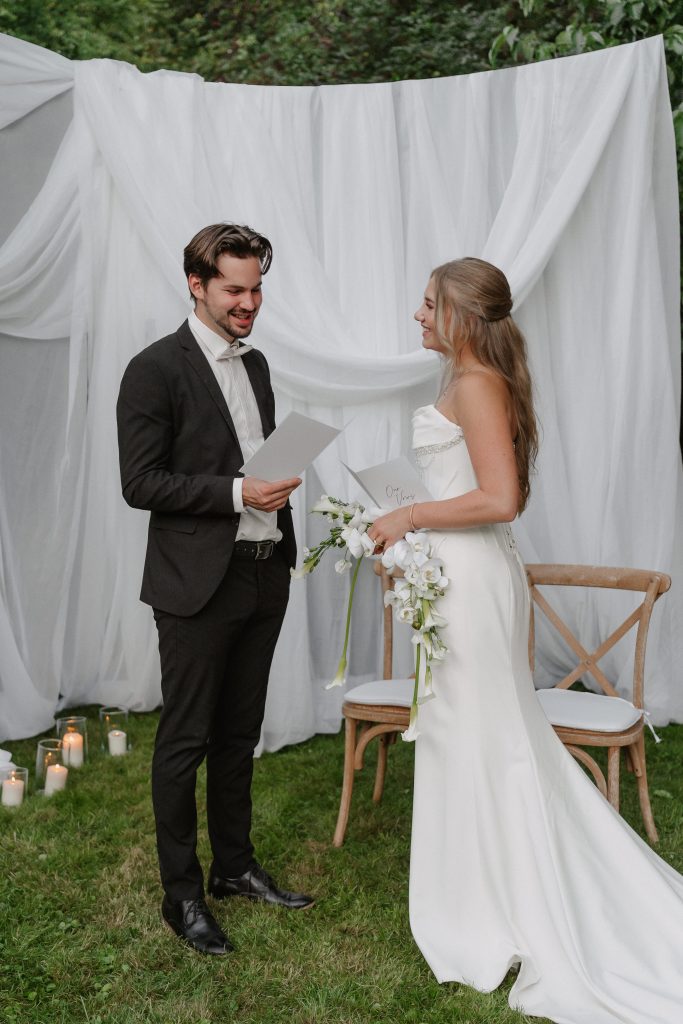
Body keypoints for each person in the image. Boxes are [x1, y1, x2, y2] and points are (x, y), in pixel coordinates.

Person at [367, 258, 683, 1023]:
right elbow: (468, 490)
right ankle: (477, 890)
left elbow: (499, 499)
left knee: (478, 734)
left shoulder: (476, 384)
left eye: (427, 304)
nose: (416, 315)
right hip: (465, 579)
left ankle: (492, 904)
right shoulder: (468, 380)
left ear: (461, 317)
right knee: (465, 733)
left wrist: (408, 518)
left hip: (474, 586)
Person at [116, 223, 314, 957]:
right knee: (186, 739)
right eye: (234, 288)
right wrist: (239, 491)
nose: (249, 302)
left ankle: (234, 868)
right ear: (195, 285)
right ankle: (183, 898)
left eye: (256, 287)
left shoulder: (256, 364)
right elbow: (140, 483)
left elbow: (247, 458)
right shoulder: (151, 369)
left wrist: (270, 486)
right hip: (196, 583)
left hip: (264, 569)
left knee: (239, 735)